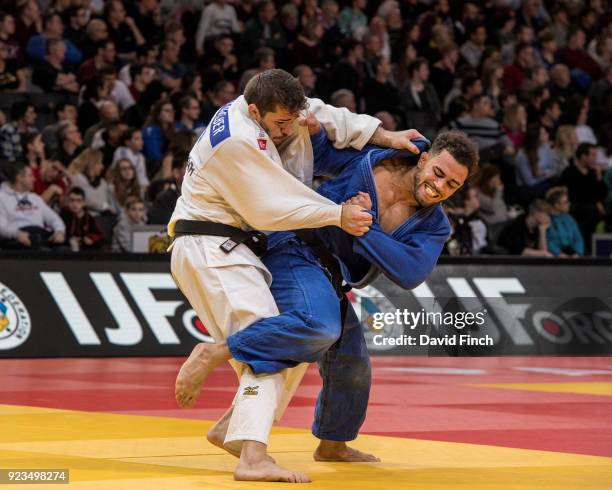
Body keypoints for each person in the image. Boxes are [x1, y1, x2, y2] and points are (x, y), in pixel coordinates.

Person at [175, 125, 477, 474]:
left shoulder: (434, 224)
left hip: (330, 274)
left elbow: (409, 271)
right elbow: (314, 150)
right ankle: (215, 351)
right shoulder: (371, 160)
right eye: (438, 173)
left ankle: (332, 444)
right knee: (319, 326)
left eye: (452, 185)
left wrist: (367, 227)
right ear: (424, 159)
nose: (439, 187)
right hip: (295, 246)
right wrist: (321, 127)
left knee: (353, 363)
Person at [0, 162, 65, 250]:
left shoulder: (35, 198)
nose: (34, 179)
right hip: (17, 239)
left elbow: (54, 218)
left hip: (40, 235)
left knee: (65, 248)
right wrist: (17, 234)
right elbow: (1, 226)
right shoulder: (2, 197)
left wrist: (59, 231)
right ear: (19, 177)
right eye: (30, 176)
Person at [61, 186, 104, 252]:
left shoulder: (88, 217)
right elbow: (58, 234)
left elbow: (99, 235)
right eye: (72, 200)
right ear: (68, 202)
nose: (74, 204)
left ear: (84, 203)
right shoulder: (63, 215)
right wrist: (69, 240)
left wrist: (90, 239)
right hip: (68, 246)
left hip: (85, 247)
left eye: (78, 201)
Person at [545, 186, 584, 257]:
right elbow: (548, 241)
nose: (569, 204)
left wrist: (577, 253)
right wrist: (559, 254)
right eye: (566, 202)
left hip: (573, 256)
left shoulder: (570, 219)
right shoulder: (546, 219)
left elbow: (578, 239)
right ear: (557, 205)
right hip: (554, 258)